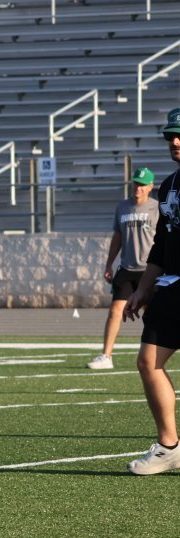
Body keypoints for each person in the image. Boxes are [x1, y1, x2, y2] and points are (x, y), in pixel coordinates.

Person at [125, 108, 180, 475]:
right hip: (172, 286)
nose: (174, 142)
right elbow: (161, 245)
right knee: (148, 362)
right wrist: (143, 288)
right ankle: (169, 446)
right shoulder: (169, 185)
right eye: (170, 136)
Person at [87, 167, 158, 370]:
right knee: (115, 310)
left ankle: (156, 354)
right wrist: (109, 263)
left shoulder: (157, 208)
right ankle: (106, 355)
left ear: (150, 187)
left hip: (150, 269)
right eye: (135, 183)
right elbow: (118, 237)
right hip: (127, 268)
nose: (138, 187)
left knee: (152, 314)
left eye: (142, 184)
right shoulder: (123, 207)